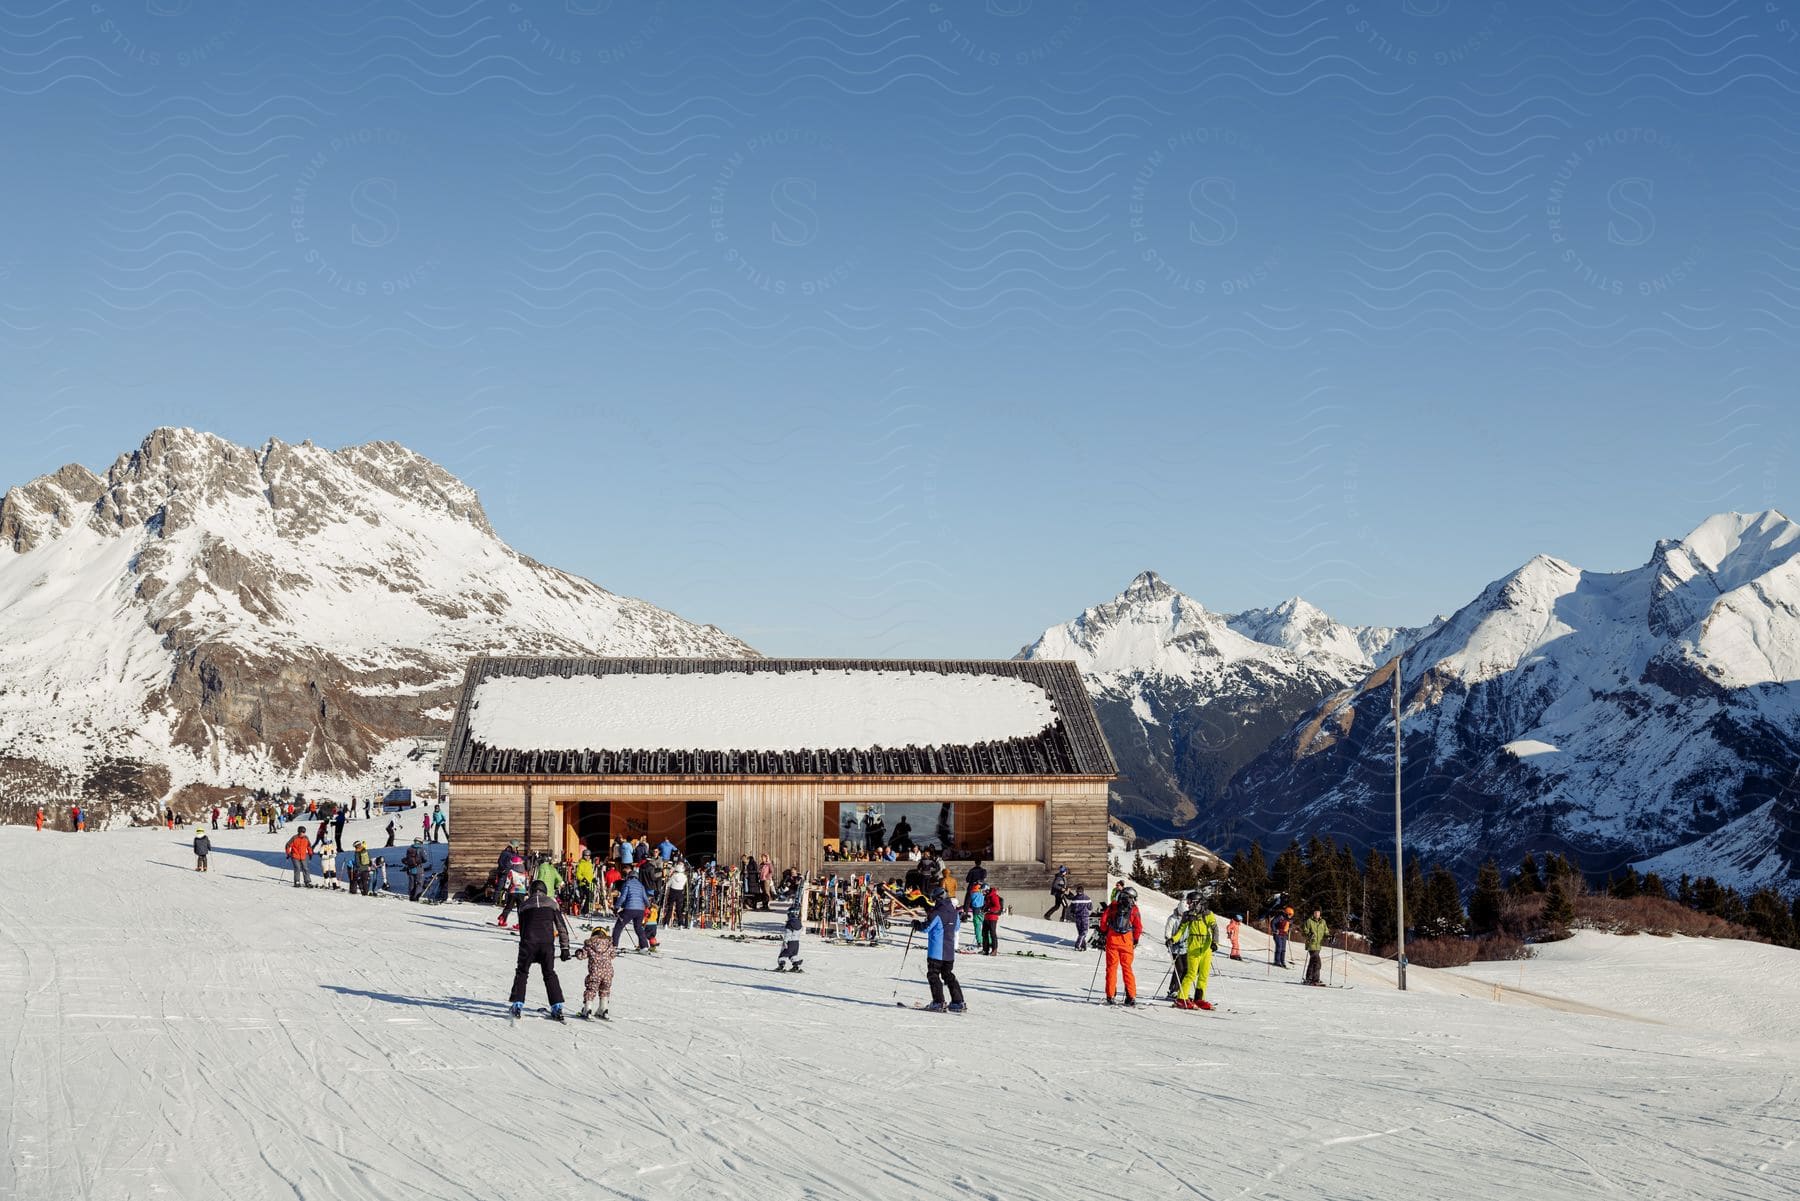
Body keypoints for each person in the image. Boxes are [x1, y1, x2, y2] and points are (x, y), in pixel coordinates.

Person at [508, 880, 572, 1020]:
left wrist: (524, 944)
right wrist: (565, 948)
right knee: (549, 973)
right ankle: (557, 1006)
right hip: (546, 944)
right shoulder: (552, 903)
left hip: (528, 943)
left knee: (522, 972)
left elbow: (523, 928)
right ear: (545, 891)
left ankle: (518, 1004)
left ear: (530, 891)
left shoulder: (524, 905)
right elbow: (561, 927)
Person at [912, 886, 964, 1013]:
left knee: (933, 975)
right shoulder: (954, 913)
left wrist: (917, 925)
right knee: (948, 975)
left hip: (936, 951)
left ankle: (938, 1002)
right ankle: (958, 1002)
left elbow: (926, 928)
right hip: (949, 952)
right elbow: (956, 928)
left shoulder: (936, 913)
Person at [1172, 896, 1218, 1011]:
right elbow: (1181, 930)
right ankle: (1181, 998)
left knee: (1204, 974)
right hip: (1193, 948)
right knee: (1191, 973)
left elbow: (1214, 928)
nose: (1189, 905)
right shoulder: (1188, 915)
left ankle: (1199, 998)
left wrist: (1215, 942)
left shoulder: (1208, 914)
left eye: (1191, 902)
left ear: (1198, 903)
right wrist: (1173, 939)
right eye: (1188, 902)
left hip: (1206, 948)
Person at [1101, 886, 1143, 1006]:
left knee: (1111, 968)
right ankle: (1131, 996)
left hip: (1112, 941)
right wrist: (1135, 940)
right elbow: (1139, 927)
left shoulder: (1113, 906)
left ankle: (1110, 995)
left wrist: (1105, 932)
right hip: (1127, 942)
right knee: (1127, 969)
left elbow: (1103, 921)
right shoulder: (1134, 909)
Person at [574, 927, 617, 1020]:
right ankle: (603, 1009)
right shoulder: (609, 945)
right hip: (608, 974)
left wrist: (578, 953)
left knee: (591, 989)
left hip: (595, 973)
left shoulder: (590, 945)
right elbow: (613, 955)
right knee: (605, 990)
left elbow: (582, 956)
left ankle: (587, 1009)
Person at [1164, 893, 1194, 998]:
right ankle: (1173, 989)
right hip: (1175, 948)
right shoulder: (1173, 919)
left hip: (1185, 947)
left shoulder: (1189, 918)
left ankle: (1183, 989)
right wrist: (1169, 940)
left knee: (1187, 969)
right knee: (1179, 969)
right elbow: (1167, 932)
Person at [613, 870, 649, 951]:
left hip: (629, 909)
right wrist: (648, 906)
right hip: (640, 910)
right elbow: (645, 898)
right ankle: (644, 946)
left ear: (628, 877)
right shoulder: (641, 885)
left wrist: (616, 907)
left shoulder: (627, 884)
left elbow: (623, 897)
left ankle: (614, 945)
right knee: (638, 927)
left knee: (619, 926)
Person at [497, 853, 529, 927]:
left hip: (513, 891)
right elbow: (526, 883)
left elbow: (508, 881)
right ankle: (521, 924)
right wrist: (527, 891)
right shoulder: (525, 873)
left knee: (508, 906)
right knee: (520, 909)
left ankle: (502, 919)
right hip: (522, 892)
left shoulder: (511, 872)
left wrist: (505, 889)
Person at [775, 893, 805, 972]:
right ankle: (796, 965)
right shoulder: (799, 923)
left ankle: (781, 966)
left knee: (783, 954)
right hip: (796, 943)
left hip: (790, 942)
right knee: (793, 955)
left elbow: (788, 933)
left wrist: (785, 941)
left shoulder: (790, 924)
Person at [1303, 909, 1329, 986]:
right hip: (1311, 944)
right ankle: (1315, 979)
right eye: (1315, 913)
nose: (1317, 914)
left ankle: (1309, 978)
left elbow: (1326, 931)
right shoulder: (1309, 921)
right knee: (1317, 962)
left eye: (1318, 913)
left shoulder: (1323, 922)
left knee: (1312, 962)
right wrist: (1309, 934)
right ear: (1313, 913)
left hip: (1318, 945)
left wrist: (1329, 936)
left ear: (1320, 914)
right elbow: (1304, 931)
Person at [1067, 883, 1093, 950]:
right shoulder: (1087, 898)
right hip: (1085, 916)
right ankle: (1078, 945)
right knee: (1084, 931)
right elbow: (1090, 908)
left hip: (1077, 917)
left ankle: (1083, 946)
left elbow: (1071, 908)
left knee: (1080, 932)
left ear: (1077, 891)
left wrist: (1072, 914)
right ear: (1083, 890)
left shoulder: (1074, 899)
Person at [978, 885, 1002, 955]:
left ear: (987, 890)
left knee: (992, 933)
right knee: (984, 933)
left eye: (982, 891)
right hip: (986, 917)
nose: (982, 892)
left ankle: (994, 950)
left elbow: (997, 907)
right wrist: (983, 908)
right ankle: (985, 949)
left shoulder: (993, 896)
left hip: (992, 918)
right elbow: (986, 905)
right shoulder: (987, 896)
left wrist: (988, 909)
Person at [665, 858, 687, 927]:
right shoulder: (684, 877)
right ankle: (680, 924)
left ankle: (666, 923)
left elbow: (668, 884)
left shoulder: (673, 876)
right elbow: (684, 884)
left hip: (672, 891)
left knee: (670, 908)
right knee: (679, 908)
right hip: (680, 892)